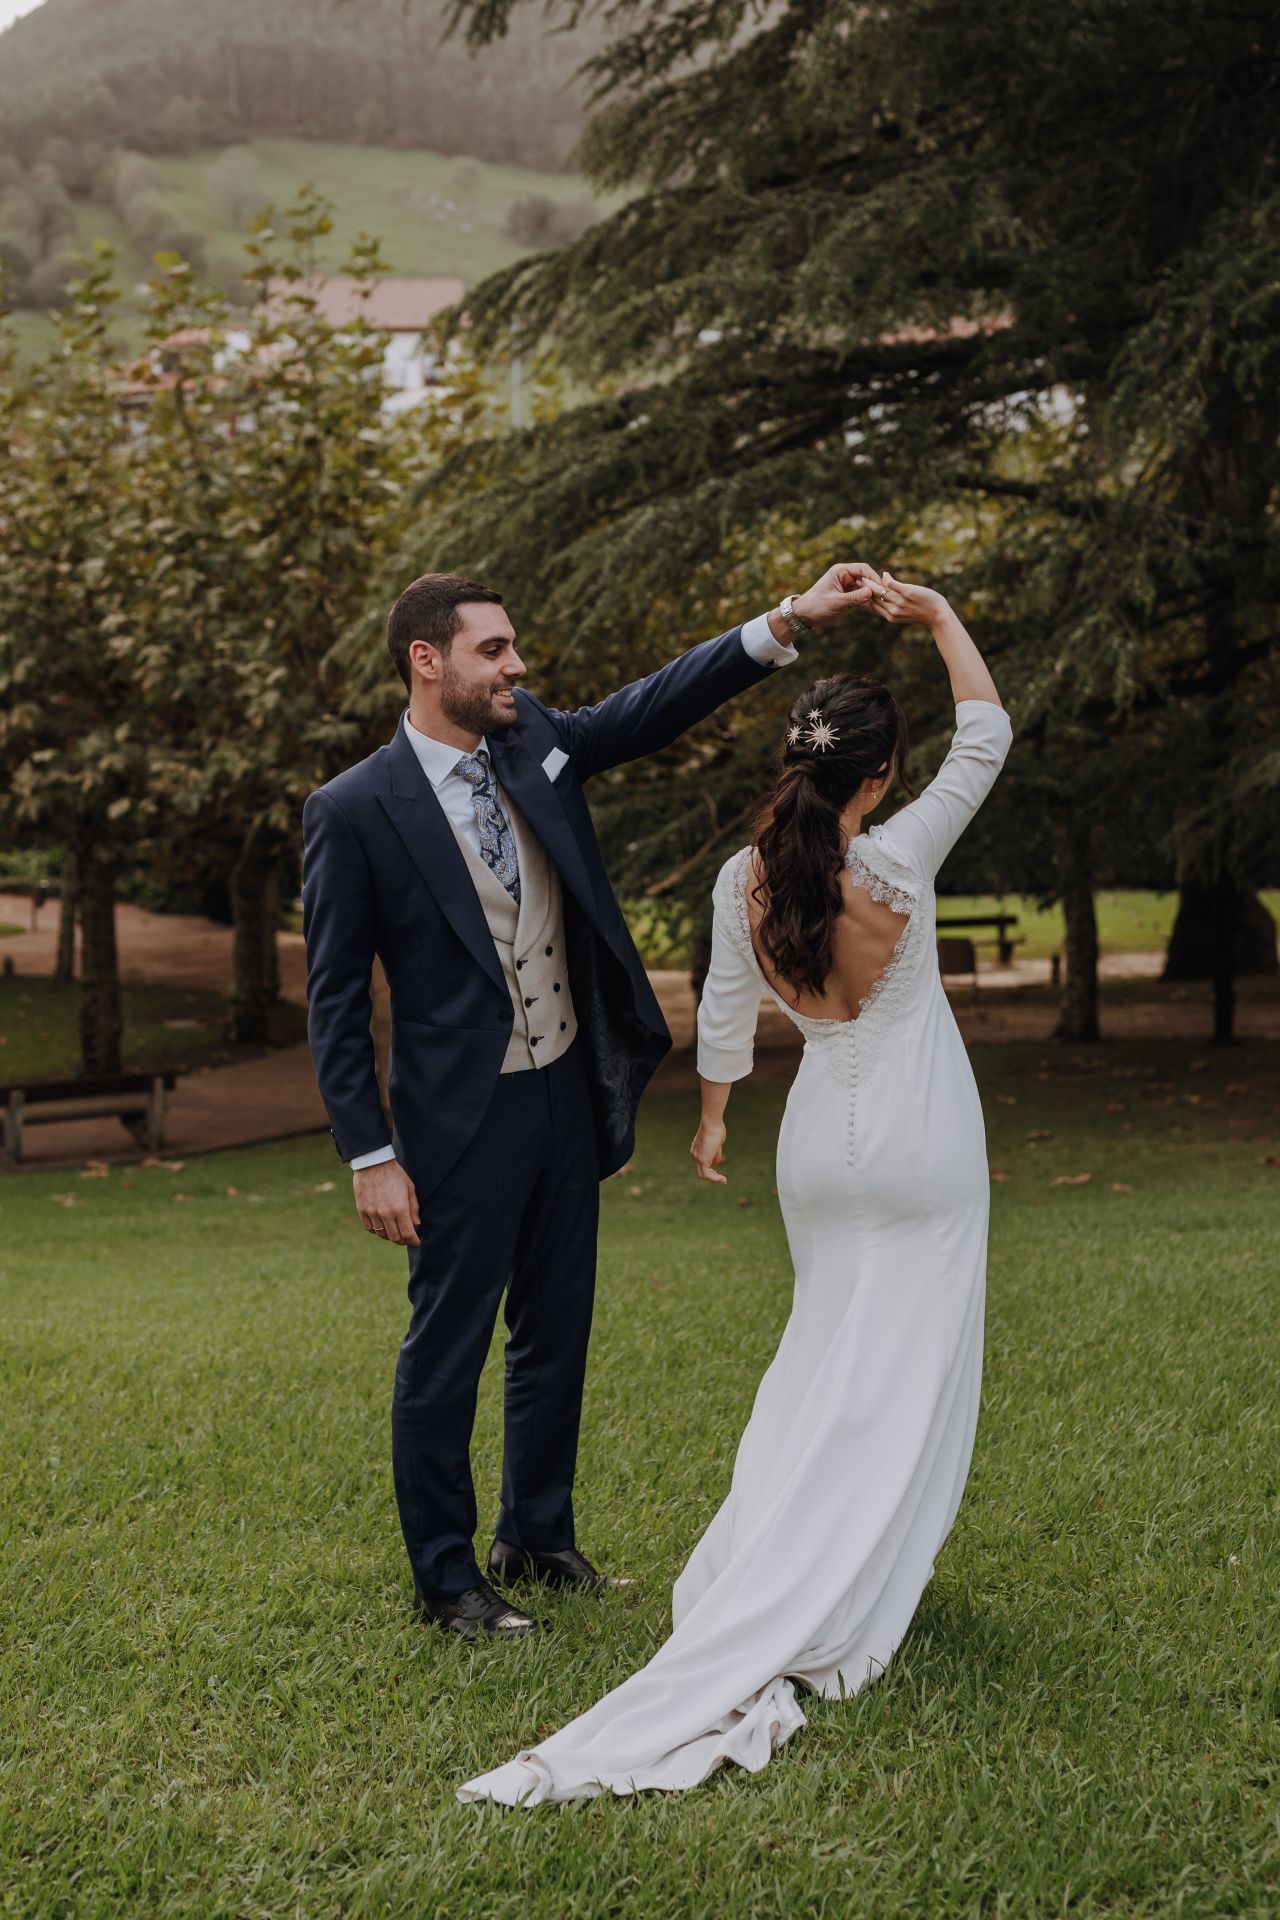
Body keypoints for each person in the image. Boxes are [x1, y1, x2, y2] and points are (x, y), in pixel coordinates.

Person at [459, 569, 1012, 1802]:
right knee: (903, 1371)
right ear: (874, 778)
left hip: (812, 1150)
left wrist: (712, 1118)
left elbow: (721, 1010)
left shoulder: (738, 882)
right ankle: (853, 1579)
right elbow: (987, 733)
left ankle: (782, 1550)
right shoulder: (903, 860)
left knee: (821, 1355)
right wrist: (937, 621)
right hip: (919, 1144)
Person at [301, 565, 881, 1638]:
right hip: (453, 1124)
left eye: (513, 647)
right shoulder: (351, 811)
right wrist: (368, 1153)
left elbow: (651, 704)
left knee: (554, 1330)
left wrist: (787, 619)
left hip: (562, 1093)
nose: (516, 665)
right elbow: (332, 1003)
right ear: (426, 662)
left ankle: (536, 1535)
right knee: (447, 1348)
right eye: (493, 650)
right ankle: (447, 1581)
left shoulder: (537, 746)